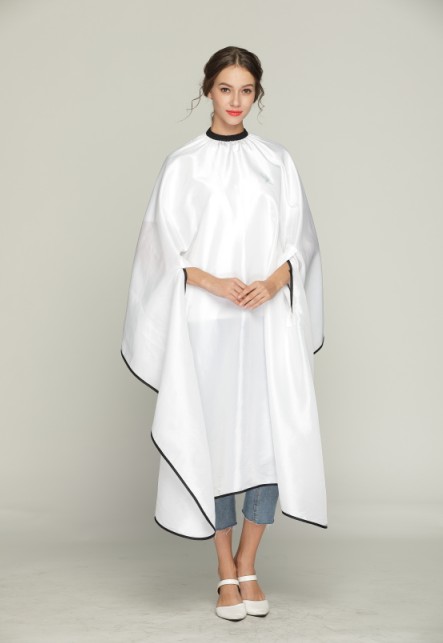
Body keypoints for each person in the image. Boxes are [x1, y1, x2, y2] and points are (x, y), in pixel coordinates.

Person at [121, 45, 327, 622]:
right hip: (206, 325)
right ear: (207, 90)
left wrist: (274, 281)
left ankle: (249, 563)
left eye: (247, 90)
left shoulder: (276, 161)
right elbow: (158, 252)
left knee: (265, 440)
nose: (236, 101)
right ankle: (223, 571)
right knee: (211, 442)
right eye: (225, 89)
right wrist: (212, 280)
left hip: (266, 322)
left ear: (257, 94)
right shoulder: (183, 164)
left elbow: (303, 243)